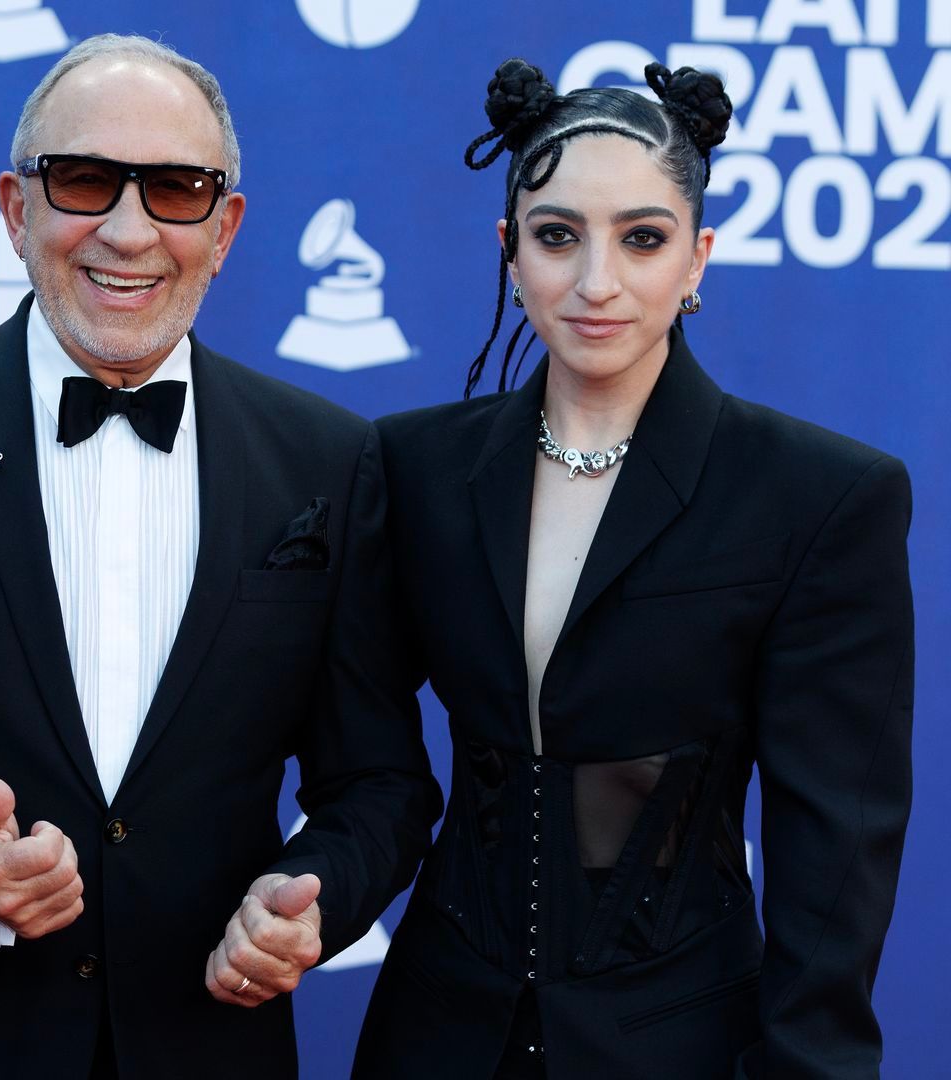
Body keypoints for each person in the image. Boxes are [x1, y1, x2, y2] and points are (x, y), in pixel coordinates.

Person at [0, 34, 440, 1080]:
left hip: (208, 1044)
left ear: (226, 229)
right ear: (14, 207)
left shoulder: (326, 460)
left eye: (177, 190)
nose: (128, 232)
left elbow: (381, 785)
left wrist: (310, 898)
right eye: (84, 181)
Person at [353, 60, 914, 1079]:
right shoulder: (411, 467)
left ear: (697, 259)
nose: (596, 281)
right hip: (436, 1032)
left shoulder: (818, 495)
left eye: (642, 238)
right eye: (558, 235)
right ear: (510, 253)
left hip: (683, 1039)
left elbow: (836, 839)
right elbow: (367, 764)